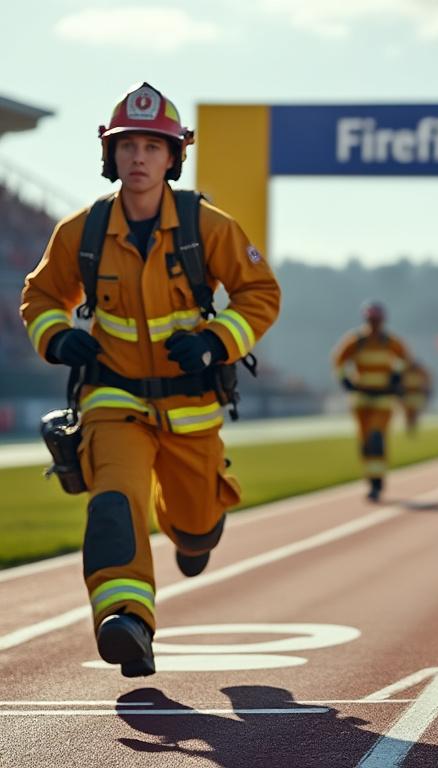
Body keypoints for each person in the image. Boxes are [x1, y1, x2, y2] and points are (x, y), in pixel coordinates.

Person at [20, 83, 281, 676]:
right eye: (127, 146)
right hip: (113, 399)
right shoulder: (80, 232)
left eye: (152, 147)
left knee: (193, 525)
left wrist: (217, 341)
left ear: (173, 157)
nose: (138, 157)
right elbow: (40, 296)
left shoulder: (206, 226)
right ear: (110, 156)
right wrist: (58, 335)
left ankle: (195, 534)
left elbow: (260, 293)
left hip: (192, 410)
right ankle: (127, 621)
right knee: (114, 503)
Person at [331, 301, 409, 502]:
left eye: (377, 320)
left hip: (383, 398)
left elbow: (404, 360)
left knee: (376, 439)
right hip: (361, 399)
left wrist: (397, 377)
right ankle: (371, 478)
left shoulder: (391, 342)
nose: (374, 324)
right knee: (365, 443)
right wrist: (345, 380)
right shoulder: (356, 341)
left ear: (383, 321)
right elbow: (338, 360)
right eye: (371, 320)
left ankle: (377, 480)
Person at [400, 358, 432, 436]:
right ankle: (409, 429)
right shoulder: (405, 371)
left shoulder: (420, 371)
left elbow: (427, 383)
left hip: (417, 394)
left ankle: (413, 428)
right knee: (408, 413)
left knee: (414, 413)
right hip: (408, 394)